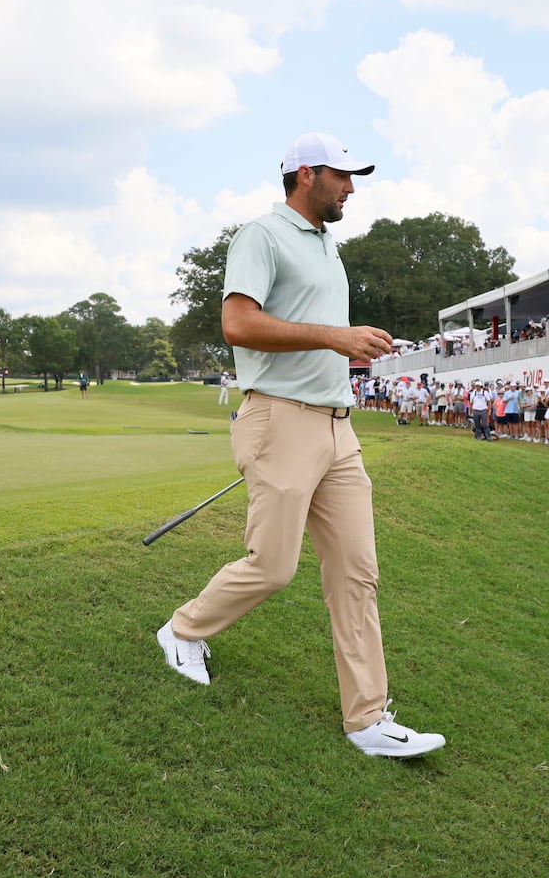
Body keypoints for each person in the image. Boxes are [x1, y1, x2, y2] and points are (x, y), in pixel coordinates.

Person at [155, 132, 443, 758]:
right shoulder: (262, 235)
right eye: (343, 175)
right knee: (274, 567)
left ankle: (367, 720)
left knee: (357, 574)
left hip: (338, 430)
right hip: (280, 421)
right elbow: (238, 323)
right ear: (306, 174)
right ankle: (183, 630)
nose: (351, 187)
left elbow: (319, 334)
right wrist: (333, 337)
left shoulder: (327, 245)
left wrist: (352, 343)